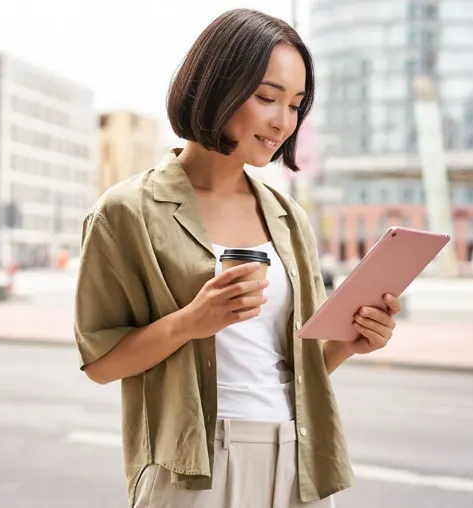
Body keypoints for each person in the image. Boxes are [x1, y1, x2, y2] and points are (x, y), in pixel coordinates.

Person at [74, 9, 401, 508]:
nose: (281, 121)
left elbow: (295, 372)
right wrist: (192, 322)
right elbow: (100, 363)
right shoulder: (125, 212)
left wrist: (351, 343)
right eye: (267, 98)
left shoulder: (289, 218)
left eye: (295, 106)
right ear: (216, 87)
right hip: (193, 468)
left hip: (298, 461)